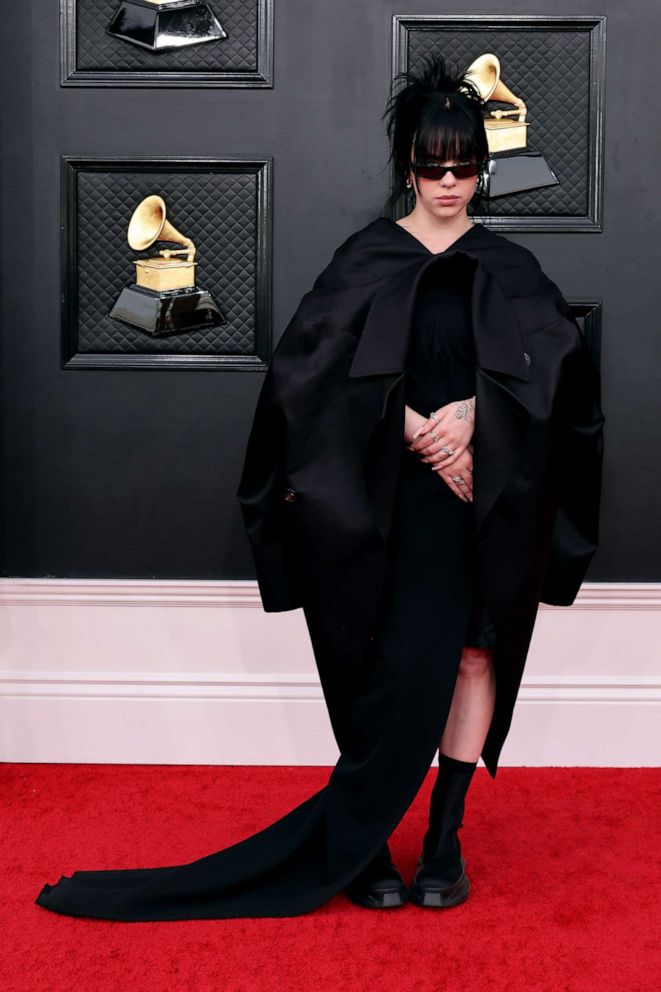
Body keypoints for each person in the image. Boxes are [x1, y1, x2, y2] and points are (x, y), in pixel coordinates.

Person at [34, 54, 604, 921]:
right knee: (373, 658)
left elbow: (560, 380)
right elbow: (305, 378)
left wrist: (478, 418)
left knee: (474, 652)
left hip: (479, 499)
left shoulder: (510, 266)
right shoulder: (366, 256)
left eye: (463, 168)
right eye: (429, 166)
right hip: (384, 498)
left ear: (481, 168)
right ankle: (368, 837)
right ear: (405, 165)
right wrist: (408, 425)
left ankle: (442, 834)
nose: (447, 184)